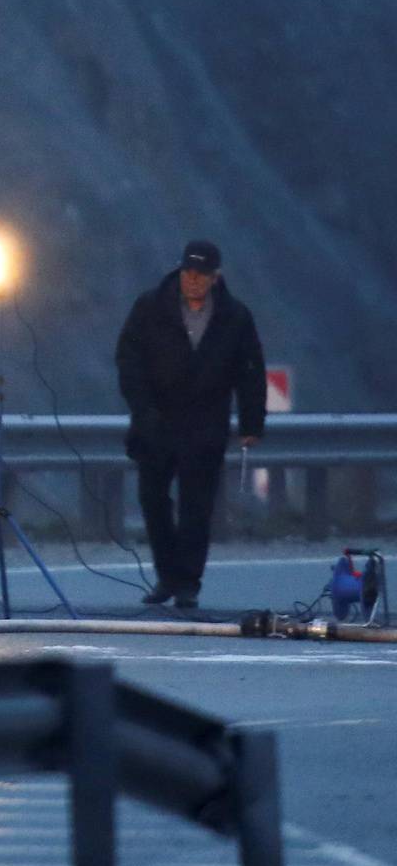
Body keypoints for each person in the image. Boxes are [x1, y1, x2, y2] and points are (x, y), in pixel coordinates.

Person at [115, 239, 265, 610]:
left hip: (205, 424)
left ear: (215, 277)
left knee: (196, 507)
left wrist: (251, 422)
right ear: (180, 271)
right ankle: (167, 574)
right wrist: (143, 410)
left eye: (201, 274)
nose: (193, 280)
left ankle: (187, 582)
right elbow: (128, 360)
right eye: (188, 272)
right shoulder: (150, 307)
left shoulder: (234, 316)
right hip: (157, 422)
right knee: (152, 500)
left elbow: (250, 371)